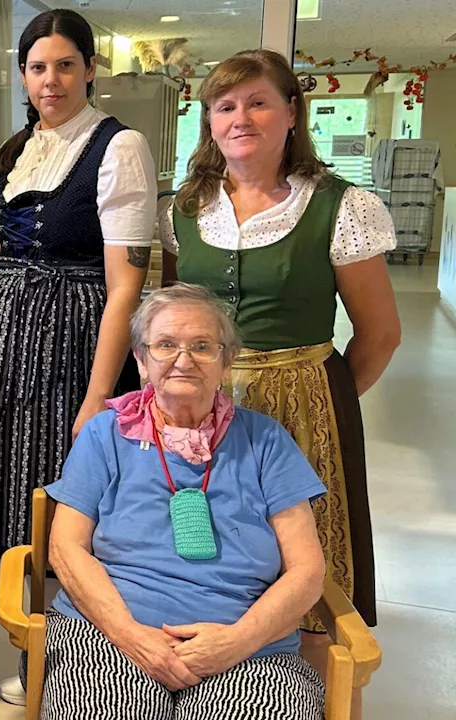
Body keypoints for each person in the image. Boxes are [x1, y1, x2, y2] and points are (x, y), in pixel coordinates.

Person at [161, 50, 401, 651]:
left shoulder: (340, 206)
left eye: (258, 102)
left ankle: (314, 686)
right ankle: (218, 668)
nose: (241, 118)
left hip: (304, 404)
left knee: (311, 550)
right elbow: (176, 311)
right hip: (201, 402)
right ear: (210, 123)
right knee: (209, 535)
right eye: (225, 106)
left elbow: (380, 333)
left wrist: (328, 399)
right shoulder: (184, 210)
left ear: (292, 112)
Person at [42, 284, 327, 719]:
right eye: (166, 344)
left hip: (246, 651)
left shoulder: (267, 440)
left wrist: (238, 641)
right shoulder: (104, 435)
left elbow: (307, 570)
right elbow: (65, 548)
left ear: (227, 360)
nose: (183, 358)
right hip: (108, 636)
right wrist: (133, 637)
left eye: (202, 346)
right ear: (140, 359)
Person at [0, 9, 154, 578]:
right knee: (12, 491)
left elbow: (125, 290)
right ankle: (28, 630)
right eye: (38, 67)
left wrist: (97, 398)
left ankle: (74, 641)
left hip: (78, 338)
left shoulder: (119, 147)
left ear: (91, 68)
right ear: (23, 74)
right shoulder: (15, 152)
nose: (52, 80)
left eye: (66, 66)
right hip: (8, 342)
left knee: (70, 491)